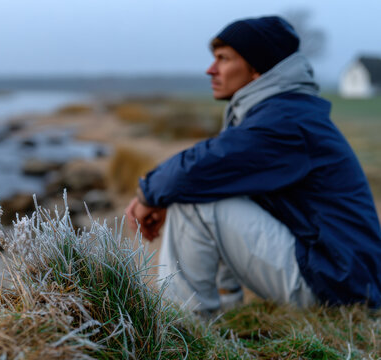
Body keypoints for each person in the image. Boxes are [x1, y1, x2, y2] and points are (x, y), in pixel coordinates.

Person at [126, 15, 381, 313]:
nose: (211, 70)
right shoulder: (285, 112)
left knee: (192, 200)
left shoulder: (284, 122)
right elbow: (212, 173)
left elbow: (196, 171)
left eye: (223, 59)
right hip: (342, 278)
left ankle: (182, 333)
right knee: (212, 188)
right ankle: (228, 311)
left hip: (340, 288)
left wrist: (148, 193)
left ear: (258, 68)